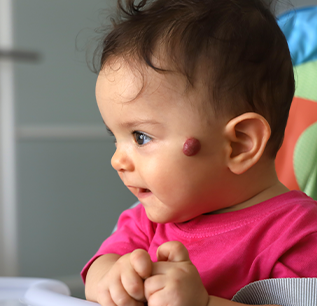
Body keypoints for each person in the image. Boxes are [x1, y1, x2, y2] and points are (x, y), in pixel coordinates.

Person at [81, 0, 317, 305]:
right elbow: (97, 272)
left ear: (239, 144)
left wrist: (203, 303)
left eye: (140, 136)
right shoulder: (145, 222)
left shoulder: (299, 234)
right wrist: (113, 280)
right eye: (115, 137)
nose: (117, 160)